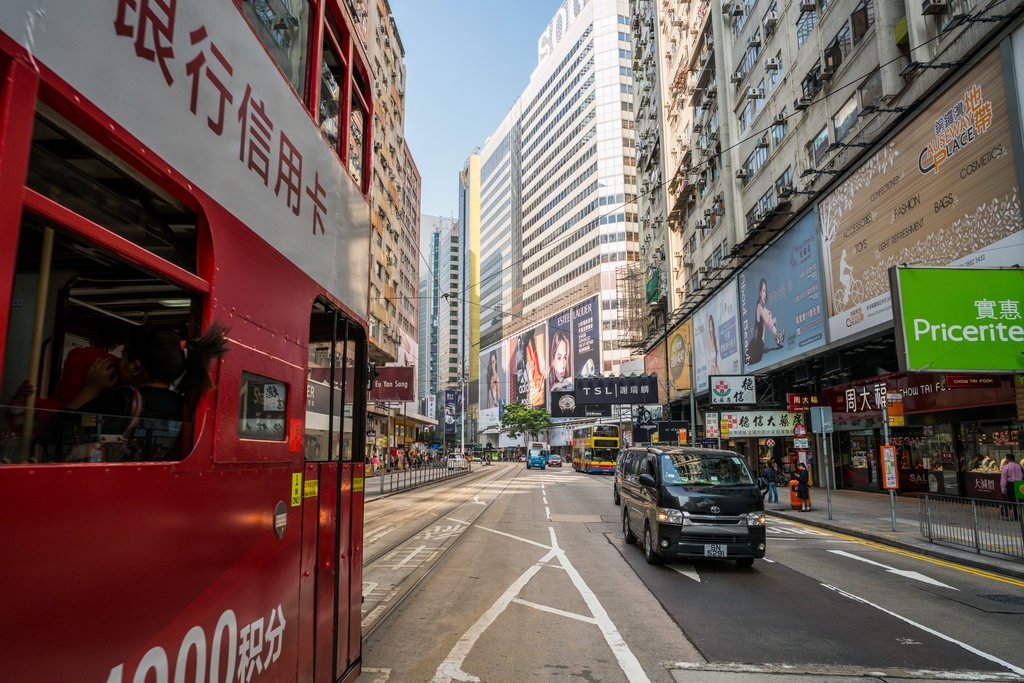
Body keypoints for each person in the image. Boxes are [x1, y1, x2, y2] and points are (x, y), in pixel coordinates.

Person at [47, 323, 228, 462]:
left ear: (135, 366)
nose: (118, 362)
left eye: (123, 356)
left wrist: (90, 390)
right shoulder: (184, 405)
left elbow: (51, 437)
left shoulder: (121, 399)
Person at [746, 278, 785, 365]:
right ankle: (778, 336)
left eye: (765, 291)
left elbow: (769, 313)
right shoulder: (759, 306)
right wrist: (774, 319)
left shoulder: (762, 307)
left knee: (768, 316)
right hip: (755, 350)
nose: (764, 294)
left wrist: (771, 317)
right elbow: (769, 323)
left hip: (758, 346)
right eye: (763, 291)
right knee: (768, 319)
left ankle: (778, 336)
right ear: (760, 292)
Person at [1000, 454, 1023, 520]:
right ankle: (1020, 514)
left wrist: (1003, 488)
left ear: (1007, 459)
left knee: (1013, 501)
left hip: (1011, 485)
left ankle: (1016, 515)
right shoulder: (1020, 467)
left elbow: (1004, 478)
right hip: (1019, 484)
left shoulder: (1006, 467)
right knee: (1020, 500)